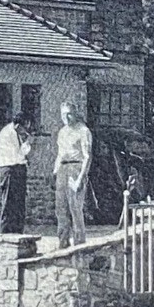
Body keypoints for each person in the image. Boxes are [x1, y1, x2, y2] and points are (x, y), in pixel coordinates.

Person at [53, 101, 93, 248]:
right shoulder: (62, 132)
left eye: (69, 114)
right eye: (64, 114)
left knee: (75, 208)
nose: (67, 117)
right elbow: (60, 154)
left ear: (75, 113)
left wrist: (80, 179)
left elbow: (87, 156)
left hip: (76, 168)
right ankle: (63, 243)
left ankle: (79, 244)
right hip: (63, 169)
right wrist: (55, 172)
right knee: (60, 208)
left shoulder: (83, 131)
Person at [0, 114, 33, 234]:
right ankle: (5, 234)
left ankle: (17, 233)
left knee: (19, 205)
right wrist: (28, 143)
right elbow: (19, 155)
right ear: (17, 125)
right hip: (10, 170)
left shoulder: (16, 133)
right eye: (24, 128)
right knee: (9, 204)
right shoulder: (8, 135)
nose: (25, 131)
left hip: (18, 169)